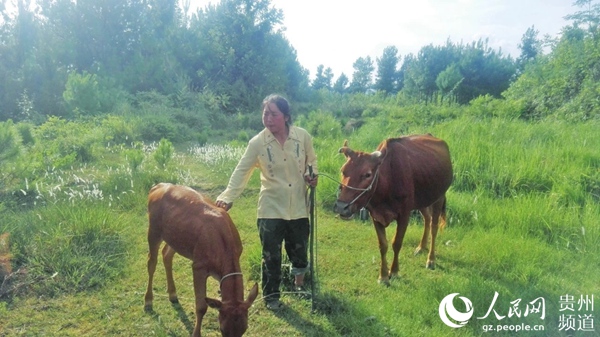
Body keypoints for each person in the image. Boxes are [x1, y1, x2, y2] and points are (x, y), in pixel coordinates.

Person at [216, 94, 318, 311]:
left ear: (286, 117)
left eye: (273, 114)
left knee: (299, 250)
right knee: (270, 254)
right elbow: (241, 171)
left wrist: (312, 175)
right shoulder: (257, 143)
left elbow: (312, 160)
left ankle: (299, 285)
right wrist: (227, 196)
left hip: (299, 207)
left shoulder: (303, 137)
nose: (268, 119)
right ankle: (271, 296)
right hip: (271, 207)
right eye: (265, 114)